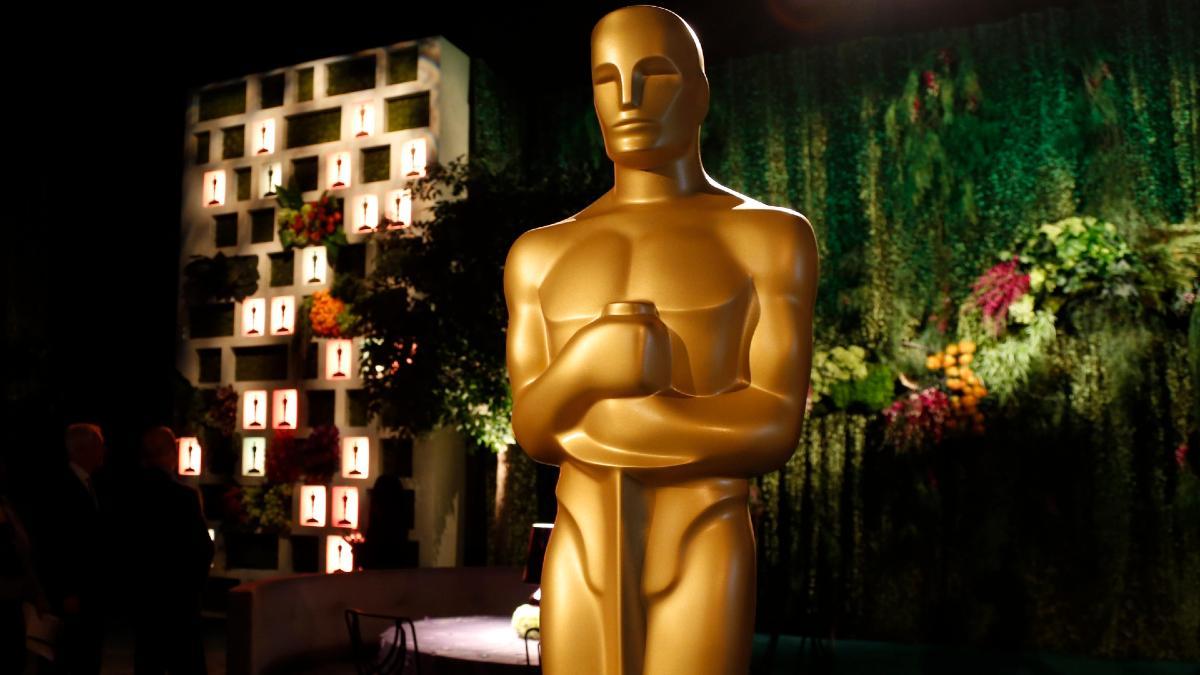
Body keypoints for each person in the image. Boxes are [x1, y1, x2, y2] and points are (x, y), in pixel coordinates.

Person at [131, 427, 213, 675]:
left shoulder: (130, 496)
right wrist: (194, 587)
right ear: (171, 454)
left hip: (144, 599)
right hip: (180, 601)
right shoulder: (184, 497)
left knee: (148, 662)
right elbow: (203, 548)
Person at [28, 423, 108, 675]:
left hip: (87, 590)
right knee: (75, 656)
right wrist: (67, 590)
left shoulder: (87, 484)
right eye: (99, 446)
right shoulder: (63, 488)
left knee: (85, 653)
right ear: (85, 449)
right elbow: (57, 543)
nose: (103, 452)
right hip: (75, 592)